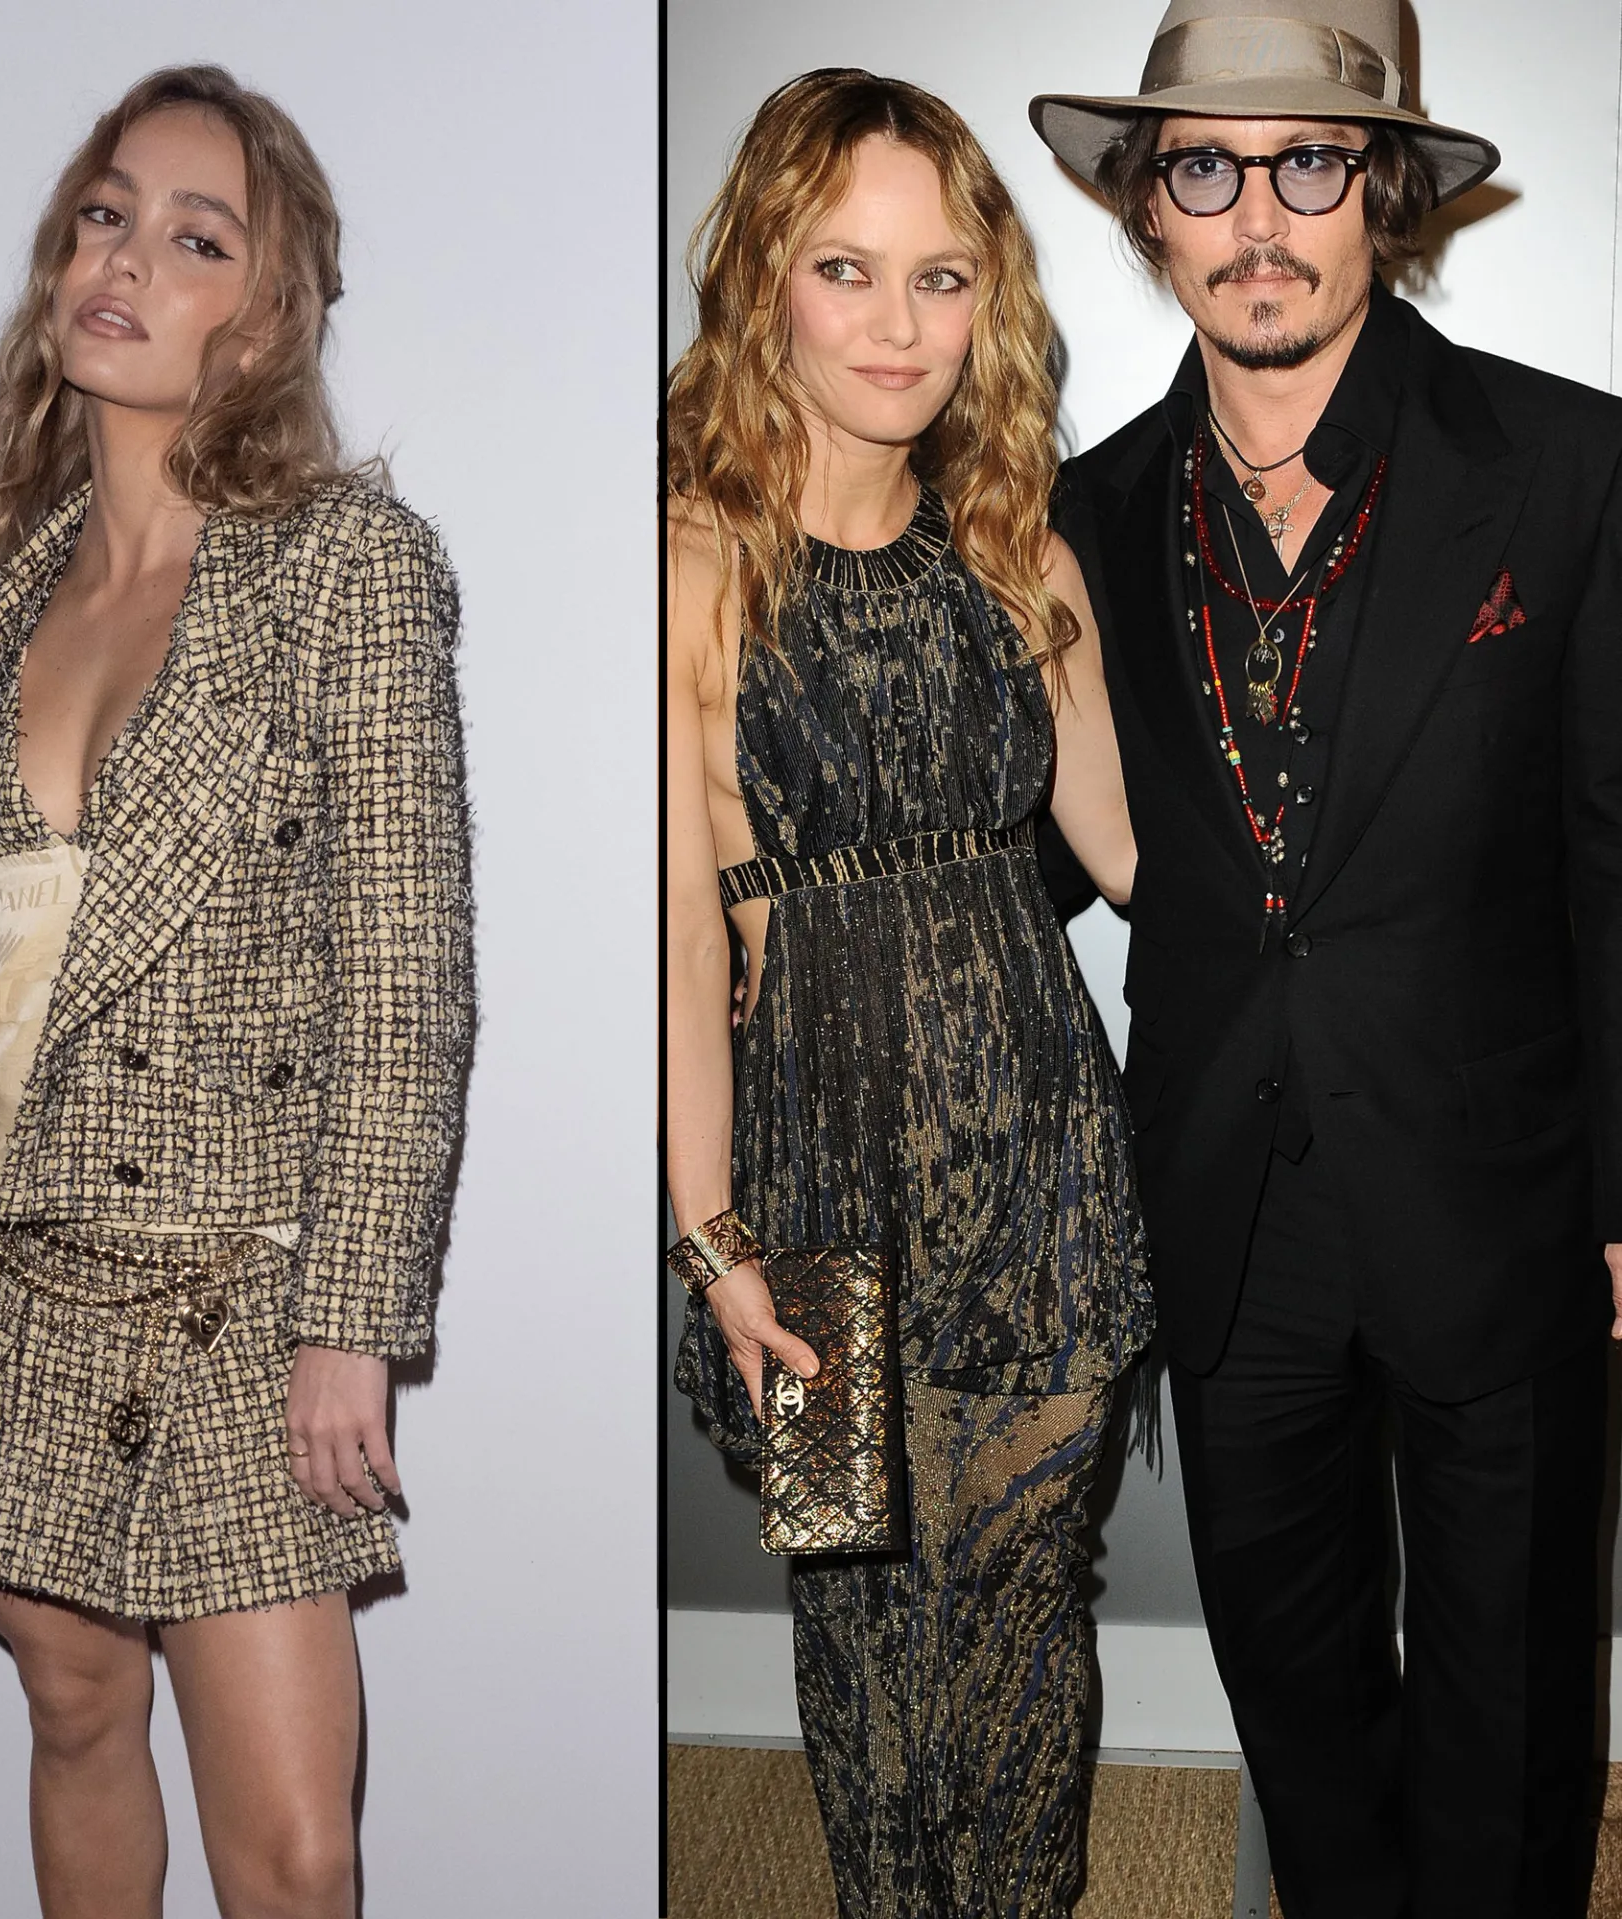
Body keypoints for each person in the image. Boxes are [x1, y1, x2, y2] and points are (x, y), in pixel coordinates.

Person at [0, 65, 472, 1919]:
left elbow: (405, 980)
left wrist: (352, 1321)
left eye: (195, 238)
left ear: (262, 315)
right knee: (73, 1709)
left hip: (231, 1304)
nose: (124, 259)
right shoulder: (7, 594)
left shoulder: (344, 570)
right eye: (105, 215)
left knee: (295, 1853)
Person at [1030, 4, 1622, 1912]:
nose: (1258, 216)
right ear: (1146, 207)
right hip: (1224, 1200)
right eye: (1204, 167)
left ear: (1382, 196)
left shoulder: (1569, 465)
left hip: (1501, 1189)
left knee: (1508, 1713)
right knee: (1297, 1708)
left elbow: (1616, 858)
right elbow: (1045, 847)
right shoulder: (1078, 516)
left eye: (1309, 161)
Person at [666, 69, 1151, 1916]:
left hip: (1040, 1164)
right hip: (810, 1195)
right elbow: (677, 936)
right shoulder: (687, 569)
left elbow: (1136, 862)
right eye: (844, 269)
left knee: (1022, 1606)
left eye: (940, 277)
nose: (896, 325)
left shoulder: (1021, 552)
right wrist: (713, 1239)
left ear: (985, 302)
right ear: (763, 282)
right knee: (860, 1623)